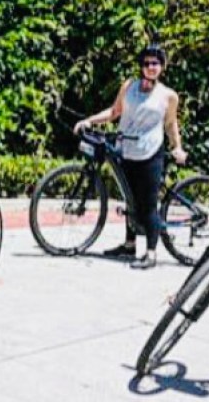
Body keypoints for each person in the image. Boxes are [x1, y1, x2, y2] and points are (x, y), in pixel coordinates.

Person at [73, 43, 187, 270]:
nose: (151, 67)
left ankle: (151, 253)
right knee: (130, 200)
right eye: (147, 63)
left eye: (155, 63)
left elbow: (171, 123)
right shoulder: (129, 86)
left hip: (150, 152)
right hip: (126, 149)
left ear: (162, 67)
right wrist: (89, 120)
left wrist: (178, 147)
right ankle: (129, 244)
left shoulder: (168, 95)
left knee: (148, 204)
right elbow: (114, 112)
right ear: (141, 66)